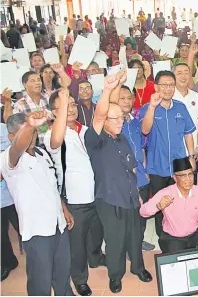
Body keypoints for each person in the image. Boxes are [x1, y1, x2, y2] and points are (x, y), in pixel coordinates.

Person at [84, 71, 152, 293]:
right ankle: (115, 275)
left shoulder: (122, 139)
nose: (121, 122)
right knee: (115, 240)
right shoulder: (96, 140)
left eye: (122, 118)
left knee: (135, 235)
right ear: (105, 122)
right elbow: (99, 115)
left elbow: (131, 169)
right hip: (110, 200)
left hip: (131, 197)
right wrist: (107, 90)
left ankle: (138, 268)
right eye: (116, 119)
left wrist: (138, 193)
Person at [2, 112, 74, 296]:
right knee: (40, 282)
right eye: (25, 132)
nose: (30, 136)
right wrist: (29, 125)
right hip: (37, 232)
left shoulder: (42, 153)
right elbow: (18, 147)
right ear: (11, 137)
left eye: (33, 132)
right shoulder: (9, 159)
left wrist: (63, 208)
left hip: (58, 225)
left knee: (63, 273)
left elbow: (51, 186)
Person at [44, 89, 105, 296]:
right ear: (54, 112)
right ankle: (79, 278)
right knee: (76, 243)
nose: (70, 108)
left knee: (96, 233)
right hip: (74, 199)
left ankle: (95, 257)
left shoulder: (83, 130)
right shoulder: (51, 135)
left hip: (95, 194)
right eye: (64, 105)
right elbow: (55, 141)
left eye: (72, 104)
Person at [140, 70, 197, 237]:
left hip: (179, 162)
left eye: (171, 85)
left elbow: (188, 133)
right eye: (164, 85)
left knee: (180, 198)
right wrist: (152, 106)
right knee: (159, 202)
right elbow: (145, 130)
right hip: (157, 163)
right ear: (156, 87)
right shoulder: (147, 108)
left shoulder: (180, 107)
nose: (168, 89)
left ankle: (180, 230)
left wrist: (191, 157)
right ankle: (162, 234)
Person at [140, 157, 198, 253]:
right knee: (179, 262)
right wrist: (158, 206)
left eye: (190, 174)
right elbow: (143, 212)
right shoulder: (166, 193)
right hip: (172, 238)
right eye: (183, 176)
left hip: (195, 234)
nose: (188, 179)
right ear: (175, 178)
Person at [112, 85, 155, 251]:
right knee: (127, 215)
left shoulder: (136, 122)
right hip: (123, 177)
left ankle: (138, 241)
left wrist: (146, 169)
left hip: (141, 176)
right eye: (121, 98)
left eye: (129, 98)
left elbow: (142, 147)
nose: (126, 101)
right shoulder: (113, 124)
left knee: (141, 213)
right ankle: (128, 247)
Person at [0, 117, 20, 282]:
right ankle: (7, 262)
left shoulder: (5, 130)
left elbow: (16, 154)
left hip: (13, 193)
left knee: (23, 227)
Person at [12, 71, 52, 146]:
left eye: (38, 80)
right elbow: (17, 128)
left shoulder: (49, 98)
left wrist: (50, 117)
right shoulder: (19, 105)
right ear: (25, 84)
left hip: (53, 142)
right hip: (34, 146)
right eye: (32, 81)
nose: (37, 83)